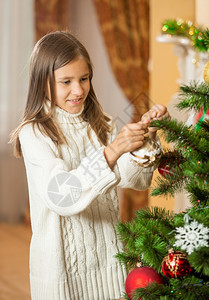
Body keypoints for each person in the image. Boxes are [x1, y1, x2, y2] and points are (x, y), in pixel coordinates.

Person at [10, 31, 169, 300]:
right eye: (66, 81)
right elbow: (61, 196)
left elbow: (134, 179)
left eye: (84, 79)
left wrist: (144, 139)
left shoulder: (101, 122)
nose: (79, 90)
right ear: (43, 83)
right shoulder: (34, 133)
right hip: (63, 275)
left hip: (109, 265)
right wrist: (113, 150)